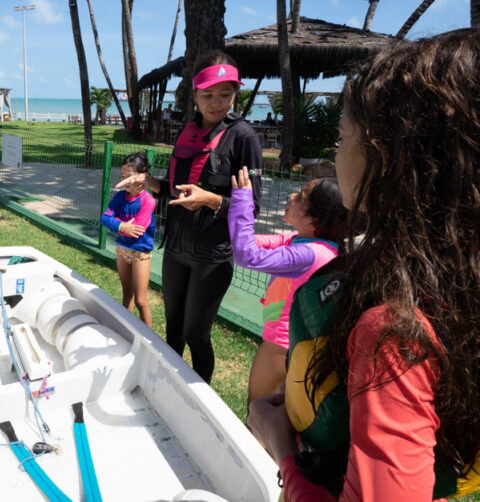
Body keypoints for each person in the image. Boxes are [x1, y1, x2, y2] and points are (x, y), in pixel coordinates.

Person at [247, 28, 480, 501]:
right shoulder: (458, 283)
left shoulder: (394, 333)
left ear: (389, 157)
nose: (335, 154)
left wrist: (281, 448)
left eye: (341, 136)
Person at [117, 50, 262, 383]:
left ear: (235, 94)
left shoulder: (244, 137)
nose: (216, 102)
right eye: (208, 95)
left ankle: (200, 400)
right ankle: (169, 388)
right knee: (175, 333)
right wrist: (150, 183)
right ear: (194, 95)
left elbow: (251, 206)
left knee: (197, 336)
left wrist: (212, 200)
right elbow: (177, 190)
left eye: (225, 94)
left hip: (212, 255)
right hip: (177, 250)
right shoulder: (187, 130)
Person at [229, 168, 347, 404]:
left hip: (280, 347)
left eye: (301, 197)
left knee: (257, 415)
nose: (292, 197)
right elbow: (251, 244)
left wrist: (242, 199)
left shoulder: (308, 253)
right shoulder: (312, 244)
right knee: (278, 418)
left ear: (314, 220)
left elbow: (247, 255)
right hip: (296, 345)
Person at [101, 152, 156, 327]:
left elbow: (137, 231)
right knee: (126, 294)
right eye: (122, 176)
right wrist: (122, 226)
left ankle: (150, 341)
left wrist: (116, 224)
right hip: (121, 250)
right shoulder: (119, 197)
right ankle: (126, 331)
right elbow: (104, 219)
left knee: (140, 301)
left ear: (142, 177)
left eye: (129, 177)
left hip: (140, 253)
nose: (124, 180)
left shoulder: (148, 200)